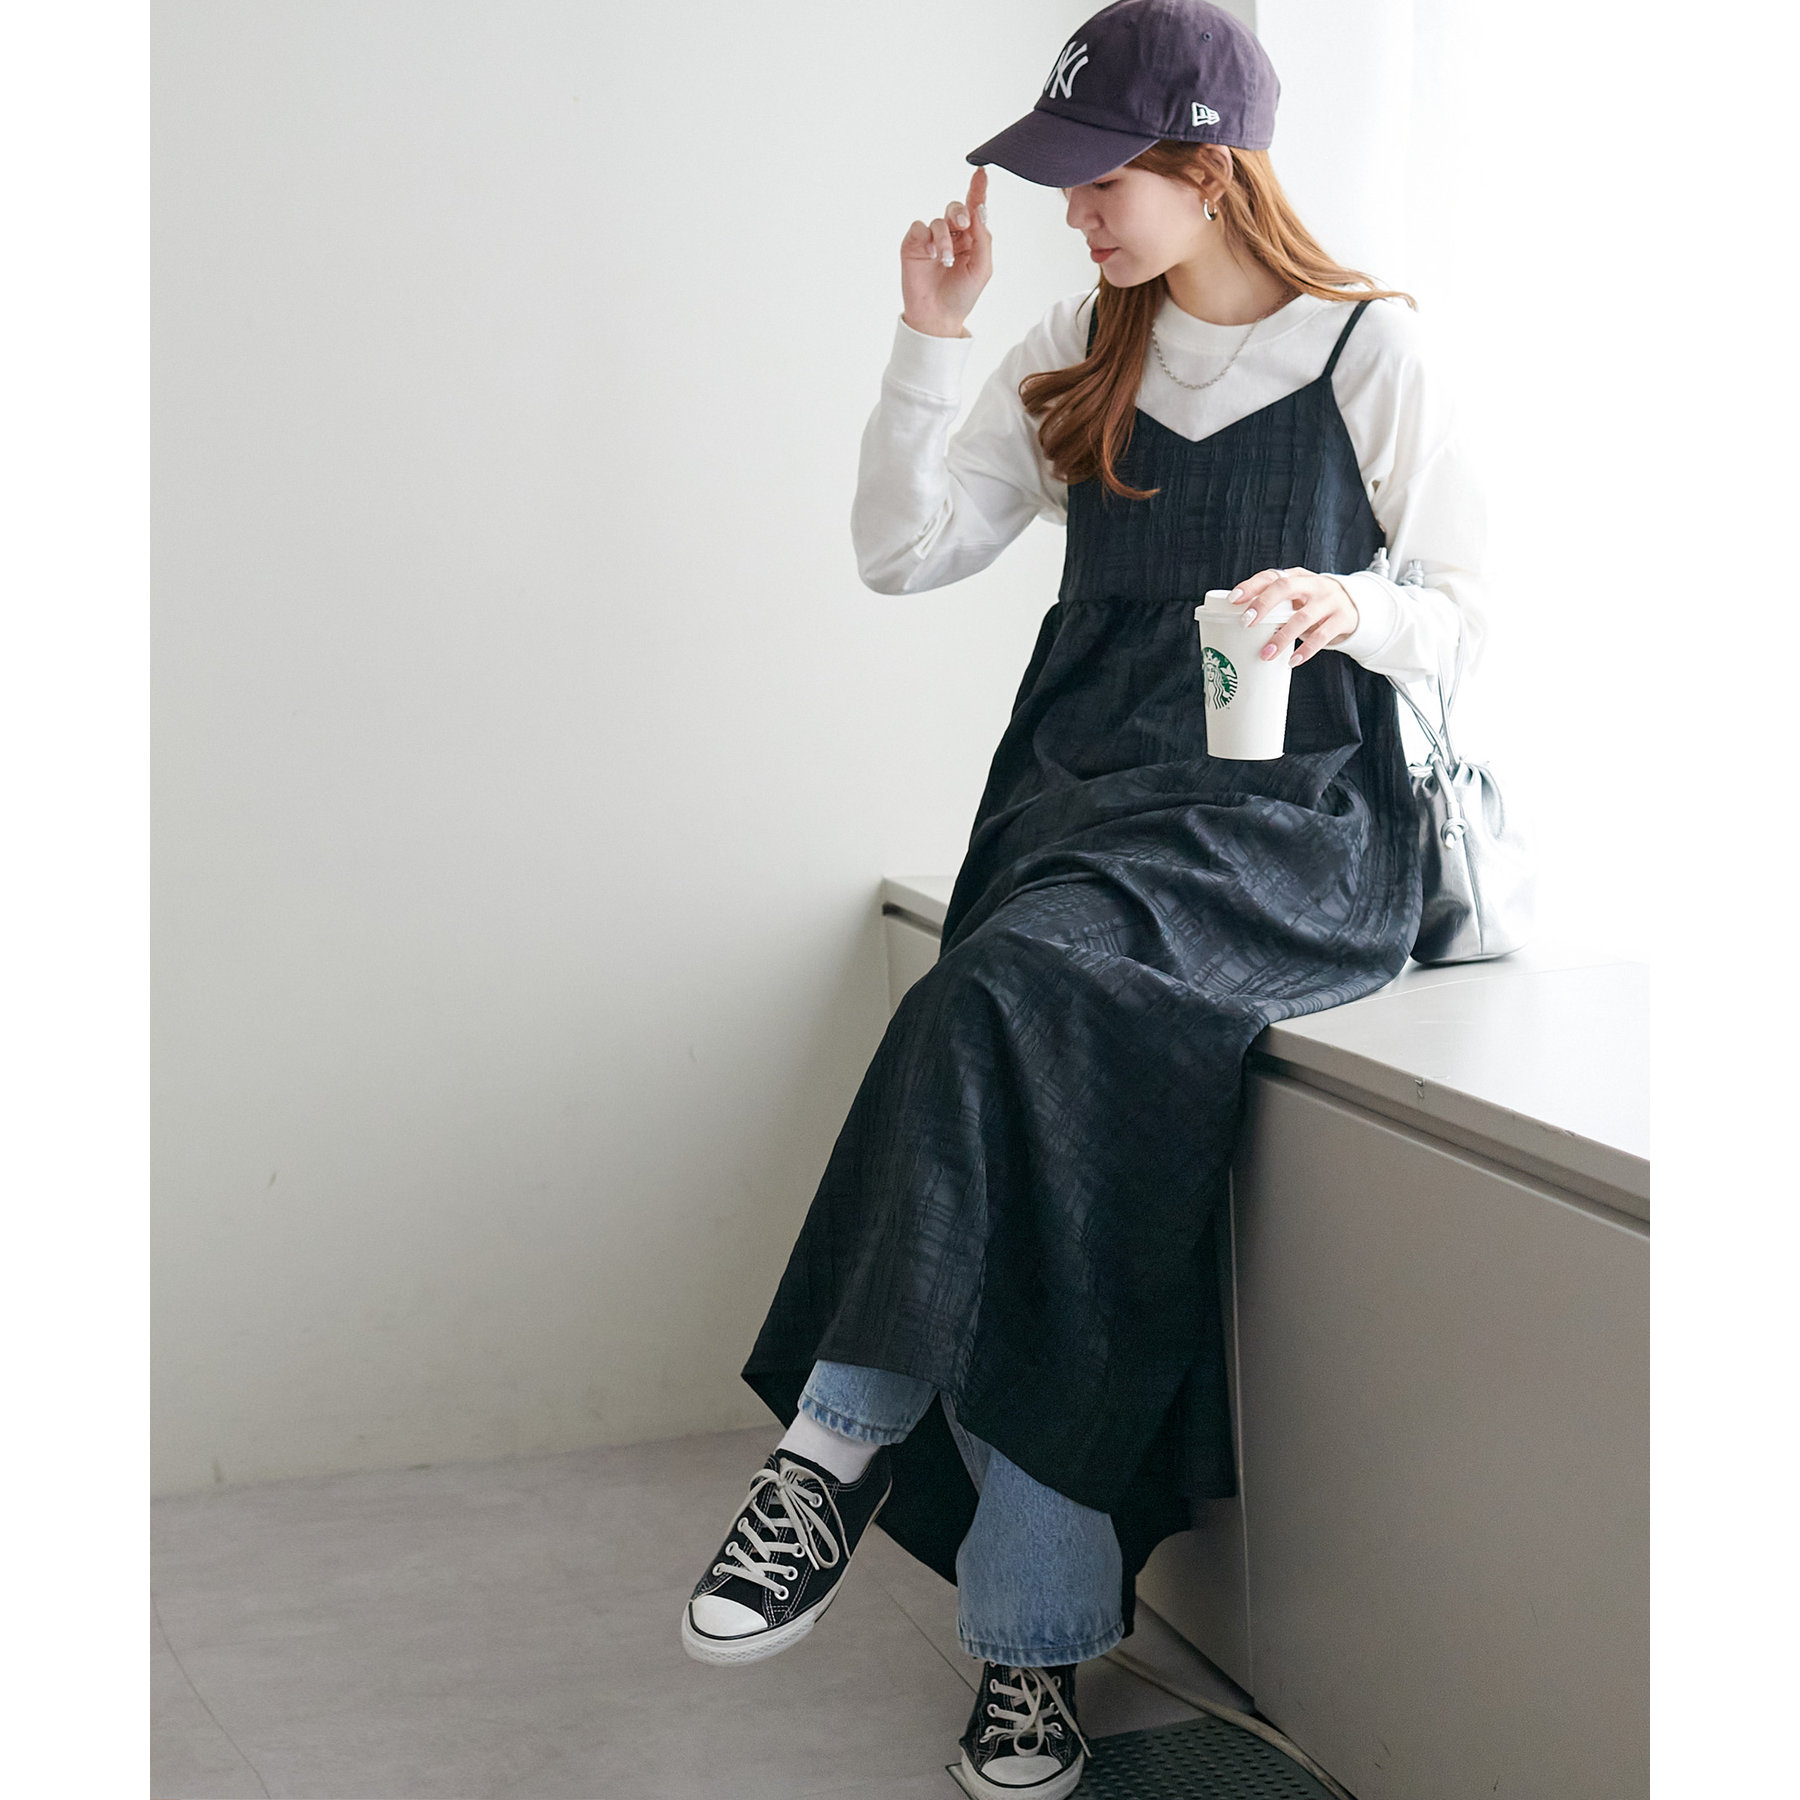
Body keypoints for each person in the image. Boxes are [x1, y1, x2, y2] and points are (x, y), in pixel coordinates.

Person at [680, 3, 1484, 1794]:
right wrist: (928, 333)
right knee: (1067, 1129)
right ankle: (1029, 1644)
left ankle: (833, 1442)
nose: (1075, 215)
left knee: (988, 998)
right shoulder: (1075, 347)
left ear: (1214, 166)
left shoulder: (1370, 345)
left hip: (1295, 817)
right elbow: (902, 552)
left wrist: (1346, 607)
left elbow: (1470, 607)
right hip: (1086, 805)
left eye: (1105, 179)